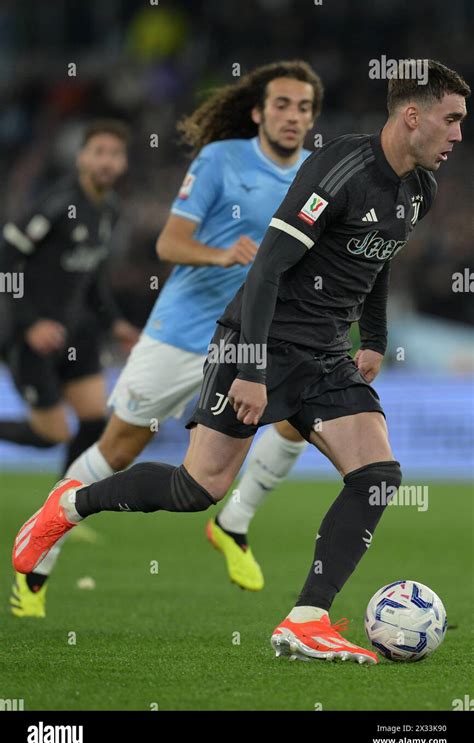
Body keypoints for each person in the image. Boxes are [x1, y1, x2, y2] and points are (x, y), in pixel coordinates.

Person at [13, 60, 469, 664]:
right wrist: (251, 370)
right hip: (260, 341)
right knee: (197, 487)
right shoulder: (338, 170)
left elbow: (380, 258)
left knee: (378, 476)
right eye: (453, 119)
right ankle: (67, 505)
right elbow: (266, 270)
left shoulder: (420, 189)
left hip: (326, 352)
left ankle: (306, 618)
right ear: (413, 116)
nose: (460, 135)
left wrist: (376, 338)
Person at [12, 60, 324, 616]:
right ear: (257, 112)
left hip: (253, 337)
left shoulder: (315, 175)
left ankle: (233, 524)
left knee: (299, 416)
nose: (293, 116)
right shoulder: (219, 161)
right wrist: (222, 254)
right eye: (282, 104)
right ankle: (38, 564)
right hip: (183, 331)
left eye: (304, 107)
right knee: (116, 450)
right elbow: (170, 243)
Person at [1, 120, 139, 616]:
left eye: (115, 154)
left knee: (95, 422)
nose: (106, 161)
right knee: (51, 432)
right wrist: (30, 320)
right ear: (82, 156)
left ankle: (55, 513)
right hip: (31, 335)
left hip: (76, 335)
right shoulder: (56, 203)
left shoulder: (111, 209)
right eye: (98, 151)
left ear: (123, 163)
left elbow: (94, 276)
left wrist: (118, 323)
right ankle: (49, 516)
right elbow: (7, 258)